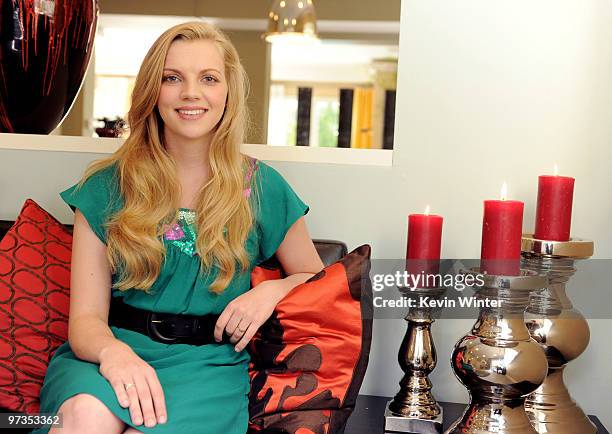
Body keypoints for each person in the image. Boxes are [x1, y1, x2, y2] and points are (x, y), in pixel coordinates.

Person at [32, 21, 324, 434]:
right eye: (173, 78)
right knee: (84, 416)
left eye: (208, 78)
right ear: (154, 91)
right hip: (112, 353)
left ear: (228, 92)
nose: (191, 93)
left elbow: (317, 278)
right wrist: (113, 354)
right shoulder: (105, 186)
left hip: (207, 367)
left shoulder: (262, 187)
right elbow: (84, 320)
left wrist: (271, 290)